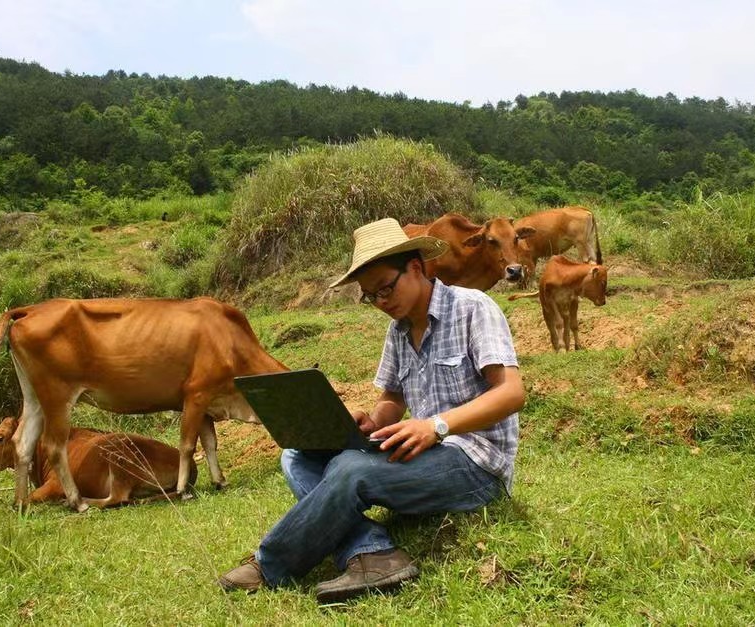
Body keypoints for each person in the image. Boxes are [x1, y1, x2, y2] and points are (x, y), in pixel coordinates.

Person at [218, 217, 525, 603]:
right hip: (424, 451)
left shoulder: (472, 308)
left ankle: (270, 565)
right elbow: (393, 399)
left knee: (351, 469)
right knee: (297, 457)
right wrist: (372, 421)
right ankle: (372, 552)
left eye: (385, 289)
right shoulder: (398, 330)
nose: (381, 302)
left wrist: (436, 426)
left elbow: (511, 392)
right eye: (370, 296)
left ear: (415, 268)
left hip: (476, 466)